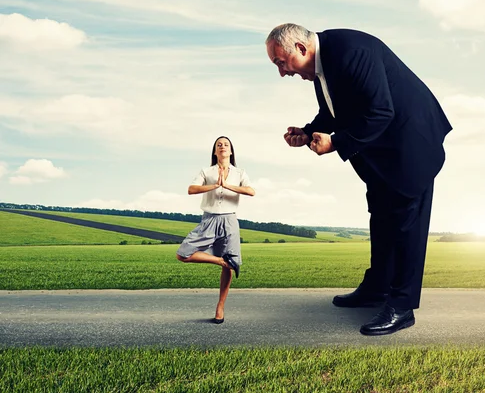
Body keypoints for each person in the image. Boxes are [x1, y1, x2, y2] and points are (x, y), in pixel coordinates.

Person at [266, 23, 452, 336]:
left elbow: (380, 111)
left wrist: (335, 143)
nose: (283, 72)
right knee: (381, 218)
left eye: (282, 63)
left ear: (300, 48)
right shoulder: (324, 66)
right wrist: (309, 132)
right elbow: (334, 111)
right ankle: (377, 287)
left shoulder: (351, 52)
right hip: (380, 153)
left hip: (410, 145)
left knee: (407, 226)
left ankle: (402, 307)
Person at [176, 136, 255, 324]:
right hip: (209, 219)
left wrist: (227, 185)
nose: (222, 147)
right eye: (219, 145)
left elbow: (251, 191)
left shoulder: (240, 173)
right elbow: (191, 189)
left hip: (229, 220)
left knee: (231, 264)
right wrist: (215, 185)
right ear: (214, 151)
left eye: (226, 145)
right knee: (183, 254)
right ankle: (221, 260)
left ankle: (220, 307)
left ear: (231, 151)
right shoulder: (206, 171)